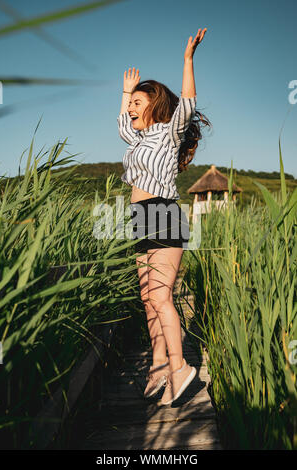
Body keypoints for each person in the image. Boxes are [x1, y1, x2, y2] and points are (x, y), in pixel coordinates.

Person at [117, 28, 211, 405]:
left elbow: (186, 103)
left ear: (155, 106)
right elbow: (123, 126)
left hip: (162, 213)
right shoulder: (138, 139)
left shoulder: (168, 134)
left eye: (139, 103)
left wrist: (188, 59)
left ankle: (179, 368)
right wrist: (126, 92)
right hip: (141, 217)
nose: (132, 109)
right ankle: (158, 366)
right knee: (147, 298)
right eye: (131, 104)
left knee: (161, 296)